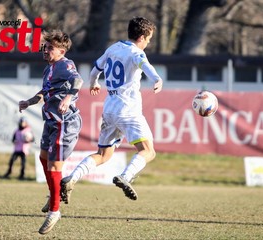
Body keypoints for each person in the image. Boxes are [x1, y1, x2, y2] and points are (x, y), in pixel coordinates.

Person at [60, 16, 163, 204]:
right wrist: (157, 79)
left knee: (103, 155)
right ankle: (126, 176)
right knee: (148, 151)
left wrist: (94, 83)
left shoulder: (113, 48)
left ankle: (71, 178)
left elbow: (94, 71)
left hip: (109, 109)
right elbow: (146, 66)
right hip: (128, 110)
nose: (148, 43)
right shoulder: (135, 52)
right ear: (142, 36)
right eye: (148, 39)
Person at [18, 30, 84, 235]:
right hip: (51, 120)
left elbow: (78, 81)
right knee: (43, 157)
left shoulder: (65, 64)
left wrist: (67, 99)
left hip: (65, 122)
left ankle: (55, 211)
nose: (45, 50)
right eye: (44, 47)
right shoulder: (49, 69)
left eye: (50, 48)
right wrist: (29, 102)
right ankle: (54, 192)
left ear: (61, 51)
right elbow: (44, 93)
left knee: (55, 164)